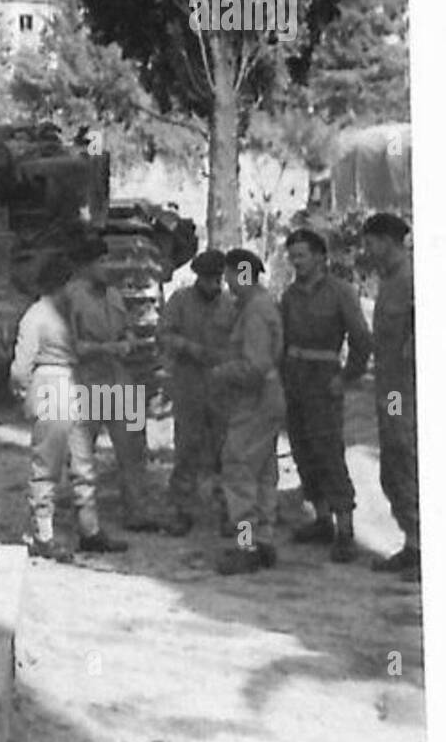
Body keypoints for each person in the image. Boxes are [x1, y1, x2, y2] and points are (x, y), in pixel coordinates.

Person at [11, 253, 127, 562]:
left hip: (68, 382)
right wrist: (25, 388)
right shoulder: (39, 315)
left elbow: (20, 371)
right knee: (47, 467)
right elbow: (21, 368)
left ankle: (88, 529)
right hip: (56, 381)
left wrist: (23, 392)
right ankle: (44, 535)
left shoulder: (56, 313)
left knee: (82, 463)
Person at [280, 227, 372, 563]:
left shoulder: (340, 292)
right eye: (292, 257)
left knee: (328, 452)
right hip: (294, 380)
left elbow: (362, 339)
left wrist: (347, 377)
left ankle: (345, 529)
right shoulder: (289, 296)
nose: (297, 262)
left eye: (302, 255)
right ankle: (321, 520)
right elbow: (282, 340)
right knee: (303, 450)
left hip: (324, 380)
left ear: (321, 257)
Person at [64, 237, 162, 531]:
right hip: (86, 382)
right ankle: (85, 519)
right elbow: (67, 346)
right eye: (101, 261)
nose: (107, 267)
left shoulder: (114, 296)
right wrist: (105, 348)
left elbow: (127, 329)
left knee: (133, 447)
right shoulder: (70, 298)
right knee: (81, 455)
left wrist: (128, 341)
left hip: (119, 379)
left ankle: (137, 511)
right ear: (85, 266)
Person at [211, 249, 286, 576]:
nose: (226, 283)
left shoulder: (254, 310)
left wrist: (222, 372)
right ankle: (264, 539)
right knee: (264, 470)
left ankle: (246, 545)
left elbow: (255, 366)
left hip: (254, 397)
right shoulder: (259, 305)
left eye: (228, 275)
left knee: (239, 468)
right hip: (267, 396)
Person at [158, 249, 237, 536]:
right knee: (186, 448)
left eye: (217, 279)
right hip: (189, 384)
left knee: (225, 451)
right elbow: (163, 334)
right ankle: (182, 509)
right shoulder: (180, 301)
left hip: (221, 388)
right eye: (207, 279)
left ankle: (229, 511)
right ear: (198, 277)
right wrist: (187, 347)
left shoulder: (230, 306)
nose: (213, 285)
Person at [363, 213, 418, 580]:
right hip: (390, 388)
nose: (367, 249)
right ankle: (414, 544)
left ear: (387, 240)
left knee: (410, 460)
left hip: (408, 390)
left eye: (370, 241)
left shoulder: (415, 279)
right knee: (394, 464)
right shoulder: (389, 281)